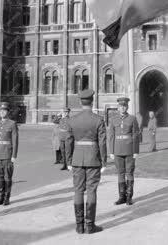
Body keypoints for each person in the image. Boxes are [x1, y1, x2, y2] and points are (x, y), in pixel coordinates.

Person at [65, 89, 107, 234]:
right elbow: (102, 142)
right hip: (93, 159)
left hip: (77, 159)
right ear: (92, 101)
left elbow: (68, 142)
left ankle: (79, 226)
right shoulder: (98, 120)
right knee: (91, 191)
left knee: (78, 191)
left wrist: (69, 161)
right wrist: (104, 161)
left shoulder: (72, 120)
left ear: (80, 102)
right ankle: (90, 226)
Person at [108, 97, 140, 206]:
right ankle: (122, 196)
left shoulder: (132, 119)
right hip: (117, 149)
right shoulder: (113, 119)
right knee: (120, 173)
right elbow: (111, 136)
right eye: (121, 106)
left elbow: (136, 135)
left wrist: (136, 150)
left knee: (129, 172)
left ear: (127, 107)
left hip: (129, 149)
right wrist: (111, 151)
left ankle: (129, 197)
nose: (123, 108)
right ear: (118, 107)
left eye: (125, 106)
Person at [0, 103, 19, 206]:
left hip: (7, 154)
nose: (2, 112)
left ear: (8, 112)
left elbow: (15, 140)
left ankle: (7, 197)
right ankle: (0, 197)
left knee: (7, 177)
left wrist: (14, 155)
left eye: (4, 110)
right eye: (1, 111)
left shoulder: (12, 124)